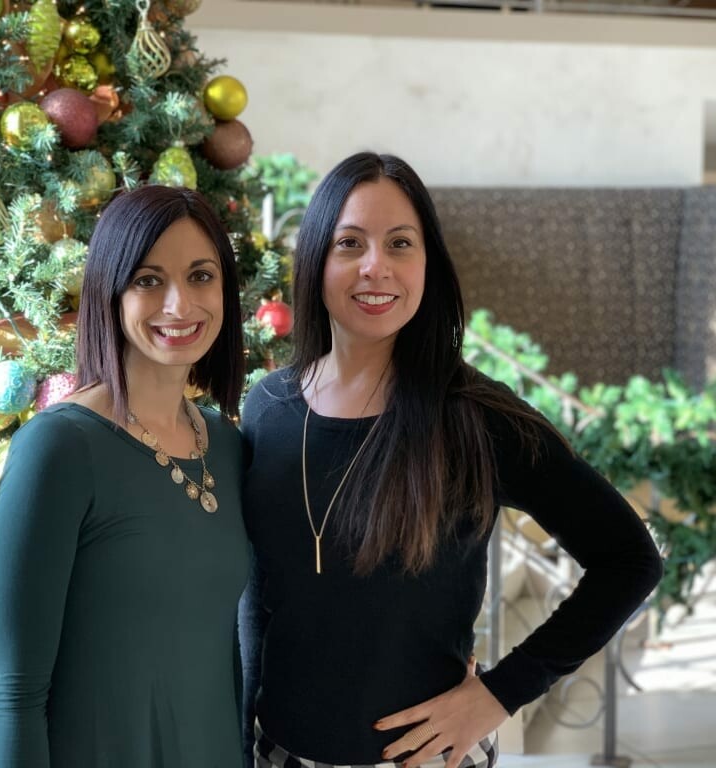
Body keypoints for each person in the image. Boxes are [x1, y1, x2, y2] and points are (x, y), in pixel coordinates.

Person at [239, 152, 663, 768]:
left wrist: (499, 694)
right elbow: (257, 597)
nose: (375, 266)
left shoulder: (476, 416)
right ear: (316, 261)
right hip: (278, 752)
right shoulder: (267, 407)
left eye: (400, 243)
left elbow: (629, 559)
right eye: (349, 242)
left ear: (428, 264)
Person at [0, 185, 247, 768]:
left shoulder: (225, 445)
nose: (180, 305)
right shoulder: (58, 449)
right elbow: (15, 696)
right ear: (111, 291)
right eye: (149, 280)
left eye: (201, 276)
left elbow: (228, 650)